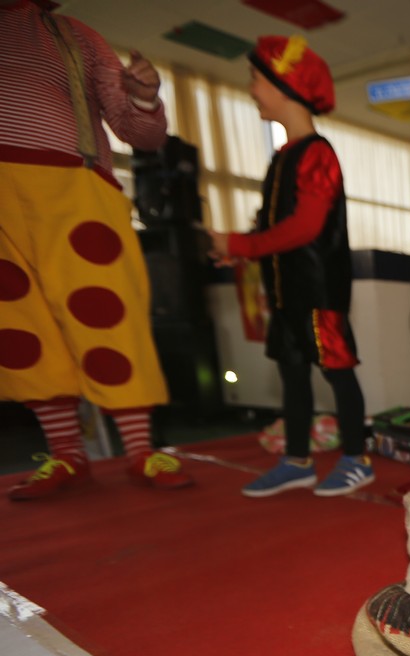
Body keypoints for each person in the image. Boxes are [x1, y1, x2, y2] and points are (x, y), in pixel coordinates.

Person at [1, 0, 192, 499]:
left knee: (106, 312)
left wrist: (145, 98)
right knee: (20, 330)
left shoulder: (75, 36)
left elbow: (143, 135)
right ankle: (66, 453)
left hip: (76, 189)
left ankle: (140, 450)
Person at [206, 35, 373, 498]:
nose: (251, 89)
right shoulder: (282, 156)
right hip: (286, 292)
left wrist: (240, 243)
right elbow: (276, 227)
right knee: (293, 372)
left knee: (337, 371)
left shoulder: (318, 152)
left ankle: (357, 458)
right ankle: (296, 460)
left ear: (286, 86)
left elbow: (305, 227)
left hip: (319, 291)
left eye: (256, 79)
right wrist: (242, 249)